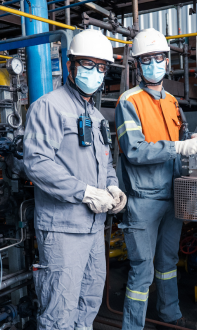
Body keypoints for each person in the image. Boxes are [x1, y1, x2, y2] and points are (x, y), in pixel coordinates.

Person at [23, 28, 127, 330]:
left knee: (89, 301)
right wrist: (85, 192)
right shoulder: (49, 107)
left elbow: (104, 162)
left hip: (94, 228)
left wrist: (112, 185)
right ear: (70, 66)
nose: (94, 72)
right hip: (63, 228)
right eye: (87, 64)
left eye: (101, 66)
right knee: (60, 311)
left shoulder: (95, 116)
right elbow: (37, 163)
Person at [115, 27, 197, 330]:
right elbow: (134, 150)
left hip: (173, 195)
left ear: (167, 61)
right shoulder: (128, 102)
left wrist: (195, 138)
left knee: (168, 264)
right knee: (142, 270)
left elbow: (180, 137)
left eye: (158, 57)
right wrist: (178, 146)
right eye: (146, 59)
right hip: (143, 200)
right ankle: (133, 327)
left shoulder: (172, 101)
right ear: (137, 65)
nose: (154, 64)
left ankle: (170, 315)